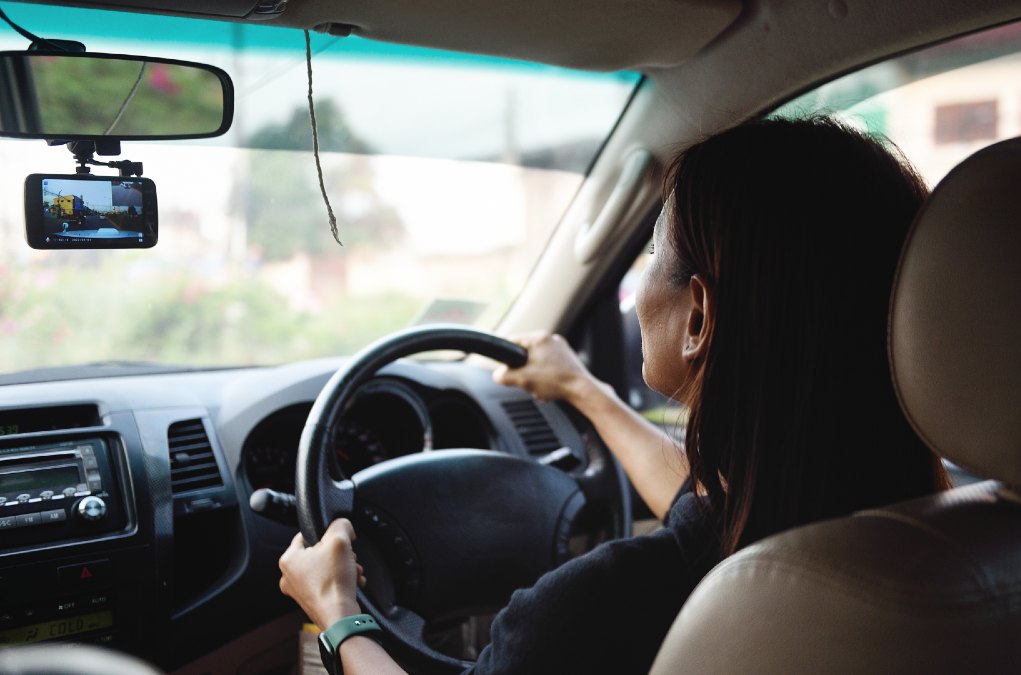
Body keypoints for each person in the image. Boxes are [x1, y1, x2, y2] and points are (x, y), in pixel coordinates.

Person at [278, 115, 952, 674]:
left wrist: (339, 611)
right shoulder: (955, 543)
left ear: (697, 316)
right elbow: (710, 512)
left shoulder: (596, 611)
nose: (635, 291)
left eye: (652, 252)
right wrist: (585, 391)